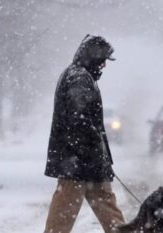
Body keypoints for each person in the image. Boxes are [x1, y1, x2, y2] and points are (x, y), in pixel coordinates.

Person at [43, 35, 125, 233]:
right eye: (102, 60)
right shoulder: (78, 78)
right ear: (92, 57)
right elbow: (79, 120)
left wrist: (98, 158)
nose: (104, 65)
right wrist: (92, 153)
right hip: (77, 163)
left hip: (83, 162)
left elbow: (81, 122)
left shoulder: (80, 76)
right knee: (65, 214)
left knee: (101, 209)